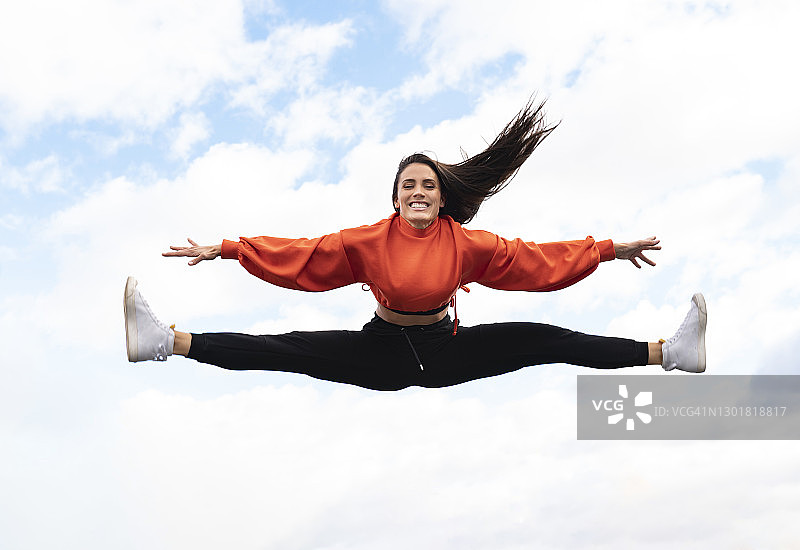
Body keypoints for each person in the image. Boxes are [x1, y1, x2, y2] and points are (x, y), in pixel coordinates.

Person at [123, 99, 707, 391]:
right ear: (397, 197)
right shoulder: (368, 241)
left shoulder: (466, 244)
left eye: (429, 184)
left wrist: (608, 249)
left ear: (441, 196)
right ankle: (166, 342)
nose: (420, 191)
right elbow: (301, 256)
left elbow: (537, 261)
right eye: (410, 185)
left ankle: (669, 354)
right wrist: (225, 249)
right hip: (380, 350)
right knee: (287, 348)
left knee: (545, 338)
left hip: (445, 348)